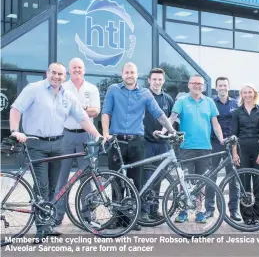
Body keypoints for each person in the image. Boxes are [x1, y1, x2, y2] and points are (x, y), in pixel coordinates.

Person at [9, 62, 102, 242]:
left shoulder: (67, 96)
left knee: (53, 187)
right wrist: (15, 131)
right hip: (36, 144)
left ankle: (48, 224)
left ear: (64, 76)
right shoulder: (33, 89)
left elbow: (83, 119)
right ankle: (41, 228)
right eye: (54, 73)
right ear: (47, 73)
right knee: (42, 186)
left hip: (58, 144)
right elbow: (15, 109)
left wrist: (98, 135)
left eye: (60, 74)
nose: (56, 77)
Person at [101, 62, 176, 230]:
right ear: (122, 74)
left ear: (137, 75)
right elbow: (106, 112)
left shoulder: (145, 93)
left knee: (137, 181)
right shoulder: (113, 89)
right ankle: (118, 217)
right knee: (116, 180)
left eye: (132, 72)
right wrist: (105, 133)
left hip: (137, 142)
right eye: (127, 72)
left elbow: (159, 114)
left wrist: (172, 131)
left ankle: (132, 218)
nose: (129, 75)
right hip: (117, 141)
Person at [156, 74, 224, 224]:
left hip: (205, 147)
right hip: (186, 147)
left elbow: (215, 124)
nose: (197, 86)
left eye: (200, 84)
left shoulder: (210, 102)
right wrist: (163, 131)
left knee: (201, 182)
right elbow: (172, 118)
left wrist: (221, 139)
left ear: (204, 86)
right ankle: (183, 211)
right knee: (184, 180)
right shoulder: (181, 101)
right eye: (194, 83)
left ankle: (199, 211)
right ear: (189, 85)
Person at [54, 58, 100, 226]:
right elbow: (60, 111)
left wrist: (77, 109)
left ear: (84, 70)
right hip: (66, 136)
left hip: (86, 137)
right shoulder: (62, 88)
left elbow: (96, 111)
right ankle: (57, 215)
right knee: (62, 177)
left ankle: (87, 216)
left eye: (79, 67)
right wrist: (84, 109)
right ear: (69, 70)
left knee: (87, 177)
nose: (77, 70)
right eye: (74, 68)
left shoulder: (92, 88)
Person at [204, 77, 241, 221]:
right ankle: (209, 209)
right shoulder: (210, 102)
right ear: (216, 87)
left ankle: (233, 211)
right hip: (215, 143)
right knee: (211, 176)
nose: (222, 88)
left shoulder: (236, 103)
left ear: (229, 86)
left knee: (233, 178)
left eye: (225, 85)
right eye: (220, 85)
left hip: (232, 144)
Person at [231, 84, 259, 225]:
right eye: (244, 92)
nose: (247, 95)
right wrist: (235, 154)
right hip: (242, 149)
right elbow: (234, 134)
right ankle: (247, 217)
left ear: (254, 94)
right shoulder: (236, 112)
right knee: (244, 183)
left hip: (258, 148)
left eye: (250, 92)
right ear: (241, 94)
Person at [142, 68, 174, 221]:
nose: (157, 82)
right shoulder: (142, 95)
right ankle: (144, 211)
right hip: (146, 143)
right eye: (154, 79)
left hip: (163, 144)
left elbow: (171, 119)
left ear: (164, 81)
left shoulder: (167, 99)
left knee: (160, 177)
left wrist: (166, 132)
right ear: (149, 80)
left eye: (160, 79)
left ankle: (154, 210)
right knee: (146, 177)